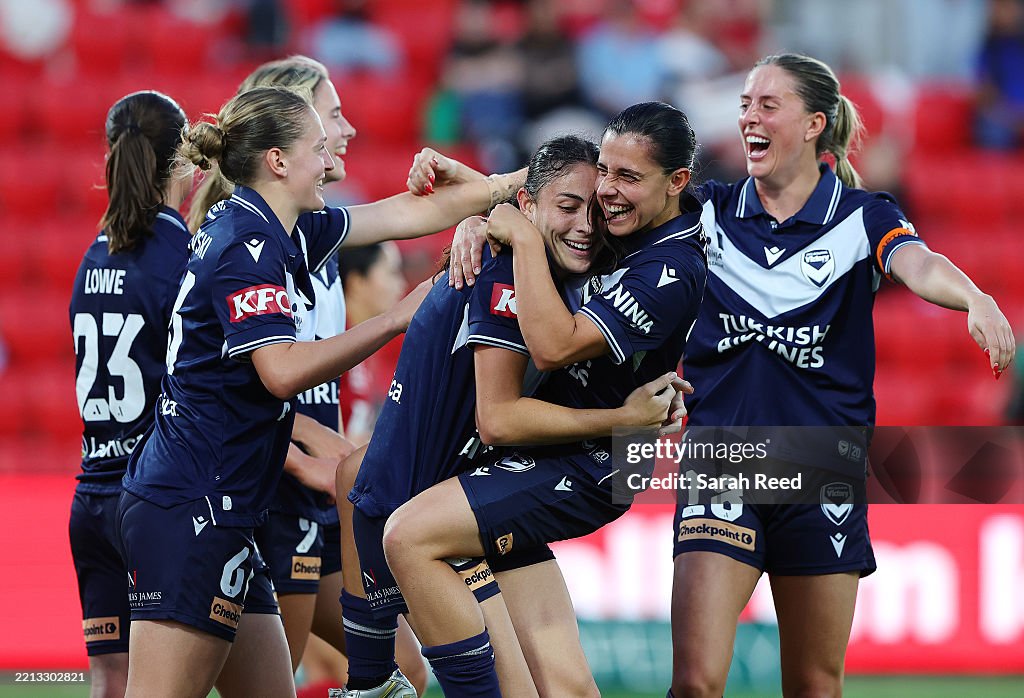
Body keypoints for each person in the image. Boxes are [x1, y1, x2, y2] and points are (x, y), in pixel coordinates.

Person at [116, 85, 528, 698]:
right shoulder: (245, 246)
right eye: (317, 146)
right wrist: (392, 320)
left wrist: (524, 183)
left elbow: (404, 214)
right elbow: (279, 371)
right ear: (278, 161)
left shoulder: (275, 227)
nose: (331, 161)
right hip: (193, 502)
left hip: (226, 507)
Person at [668, 53, 1016, 698]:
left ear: (813, 125)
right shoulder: (705, 210)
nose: (749, 116)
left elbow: (919, 263)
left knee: (814, 686)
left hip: (822, 466)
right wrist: (499, 209)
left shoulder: (862, 215)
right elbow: (608, 201)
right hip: (723, 457)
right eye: (745, 103)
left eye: (768, 105)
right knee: (694, 683)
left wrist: (976, 298)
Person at [334, 133, 688, 698]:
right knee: (563, 685)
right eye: (569, 209)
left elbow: (496, 420)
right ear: (526, 207)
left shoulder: (535, 267)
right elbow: (498, 420)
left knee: (397, 526)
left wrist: (493, 210)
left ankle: (369, 682)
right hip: (476, 485)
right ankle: (369, 682)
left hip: (487, 484)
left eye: (593, 211)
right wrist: (488, 209)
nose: (586, 225)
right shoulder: (507, 271)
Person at [187, 56, 423, 693]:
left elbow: (404, 213)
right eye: (332, 118)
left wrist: (506, 191)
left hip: (306, 493)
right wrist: (316, 459)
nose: (345, 132)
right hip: (263, 493)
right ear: (284, 145)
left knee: (403, 667)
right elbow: (266, 379)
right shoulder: (246, 243)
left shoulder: (306, 236)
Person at [68, 90, 193, 698]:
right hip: (154, 501)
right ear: (185, 163)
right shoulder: (181, 257)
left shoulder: (93, 255)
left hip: (90, 498)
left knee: (109, 683)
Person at [337, 242, 406, 447]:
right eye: (392, 273)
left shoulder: (361, 344)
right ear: (357, 282)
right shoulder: (331, 344)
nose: (401, 284)